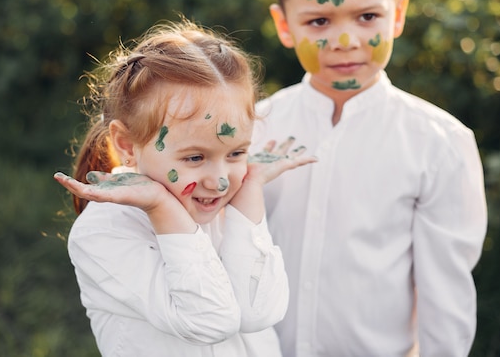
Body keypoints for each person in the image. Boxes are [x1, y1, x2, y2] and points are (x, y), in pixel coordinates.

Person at [250, 0, 488, 355]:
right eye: (319, 21)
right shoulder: (250, 130)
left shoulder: (439, 144)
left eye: (366, 16)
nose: (345, 40)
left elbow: (445, 300)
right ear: (284, 24)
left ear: (397, 14)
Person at [54, 20, 317, 357]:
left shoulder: (228, 206)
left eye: (236, 153)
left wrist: (250, 188)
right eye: (195, 157)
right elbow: (209, 322)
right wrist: (164, 209)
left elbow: (259, 313)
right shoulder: (102, 232)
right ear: (128, 145)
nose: (219, 180)